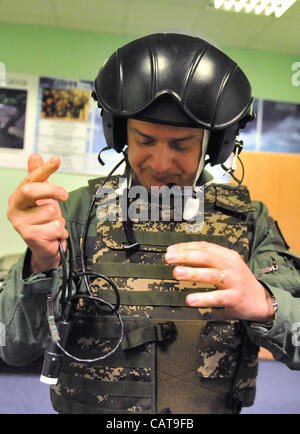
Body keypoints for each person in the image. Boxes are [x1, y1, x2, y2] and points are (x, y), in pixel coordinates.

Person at [1, 33, 300, 414]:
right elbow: (12, 346)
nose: (160, 164)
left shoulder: (248, 222)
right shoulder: (76, 212)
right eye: (145, 139)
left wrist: (265, 304)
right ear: (119, 131)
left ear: (216, 144)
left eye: (181, 144)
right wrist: (39, 266)